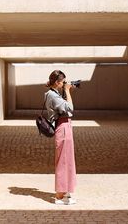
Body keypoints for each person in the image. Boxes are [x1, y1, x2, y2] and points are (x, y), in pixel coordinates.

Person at [45, 70, 77, 205]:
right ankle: (59, 195)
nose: (64, 84)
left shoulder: (54, 94)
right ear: (57, 82)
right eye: (63, 82)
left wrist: (67, 91)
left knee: (68, 160)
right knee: (63, 161)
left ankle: (65, 191)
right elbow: (69, 108)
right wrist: (68, 91)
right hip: (62, 127)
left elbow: (64, 107)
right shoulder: (52, 95)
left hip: (65, 127)